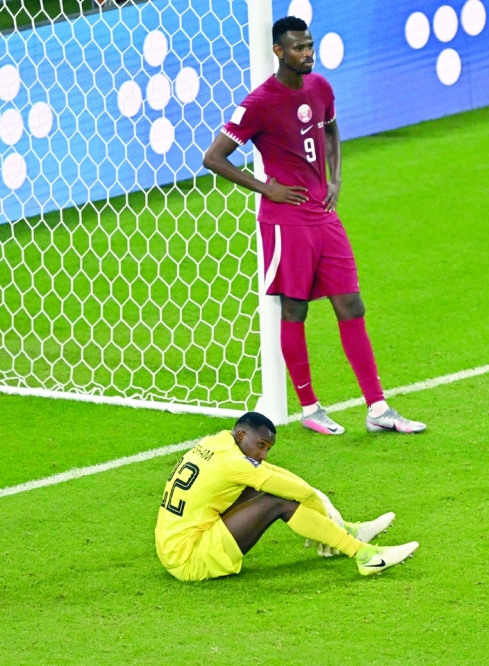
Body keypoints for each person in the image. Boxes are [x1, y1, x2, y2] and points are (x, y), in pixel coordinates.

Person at [203, 16, 424, 435]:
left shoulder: (321, 87)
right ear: (279, 52)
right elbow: (214, 157)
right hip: (286, 221)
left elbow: (331, 129)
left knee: (351, 305)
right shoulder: (259, 102)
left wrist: (335, 178)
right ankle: (310, 407)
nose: (308, 53)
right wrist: (266, 190)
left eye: (310, 46)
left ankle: (378, 408)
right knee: (296, 308)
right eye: (299, 48)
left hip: (323, 216)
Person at [155, 411, 419, 581]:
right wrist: (323, 506)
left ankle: (347, 532)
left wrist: (326, 514)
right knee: (277, 500)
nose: (263, 454)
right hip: (190, 559)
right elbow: (298, 493)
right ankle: (365, 556)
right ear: (241, 435)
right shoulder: (235, 463)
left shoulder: (216, 443)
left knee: (262, 488)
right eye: (261, 446)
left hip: (173, 547)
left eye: (267, 448)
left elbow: (270, 471)